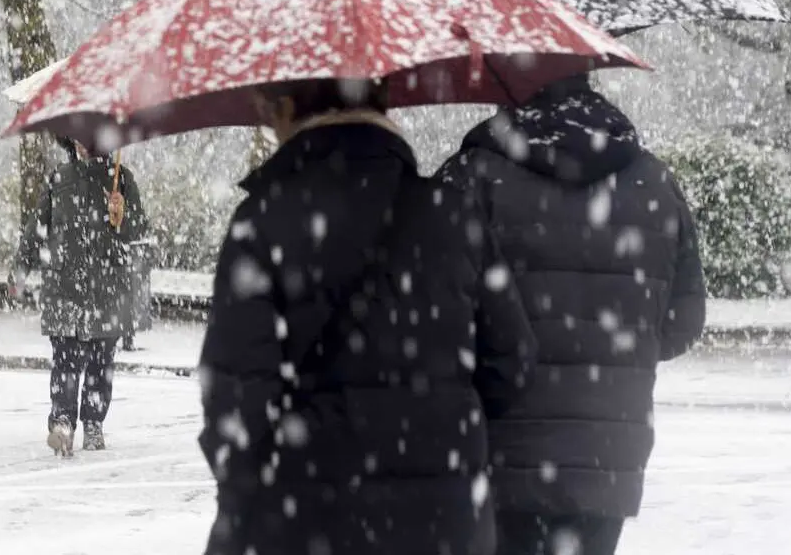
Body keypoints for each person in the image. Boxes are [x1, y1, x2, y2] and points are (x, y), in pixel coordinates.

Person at [198, 80, 538, 555]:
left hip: (306, 521)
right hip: (446, 525)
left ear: (290, 107)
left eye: (270, 109)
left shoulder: (262, 221)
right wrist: (444, 430)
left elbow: (235, 402)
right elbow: (512, 361)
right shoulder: (454, 215)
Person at [437, 73, 707, 555]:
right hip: (609, 456)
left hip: (501, 453)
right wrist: (620, 347)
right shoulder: (655, 182)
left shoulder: (474, 176)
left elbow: (437, 313)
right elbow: (683, 322)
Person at [11, 137, 149, 457]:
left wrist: (121, 216)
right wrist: (20, 269)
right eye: (78, 138)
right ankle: (62, 422)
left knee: (101, 362)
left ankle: (93, 422)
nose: (84, 144)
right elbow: (37, 229)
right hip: (64, 286)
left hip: (108, 288)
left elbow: (140, 236)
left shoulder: (122, 180)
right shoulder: (59, 178)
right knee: (66, 360)